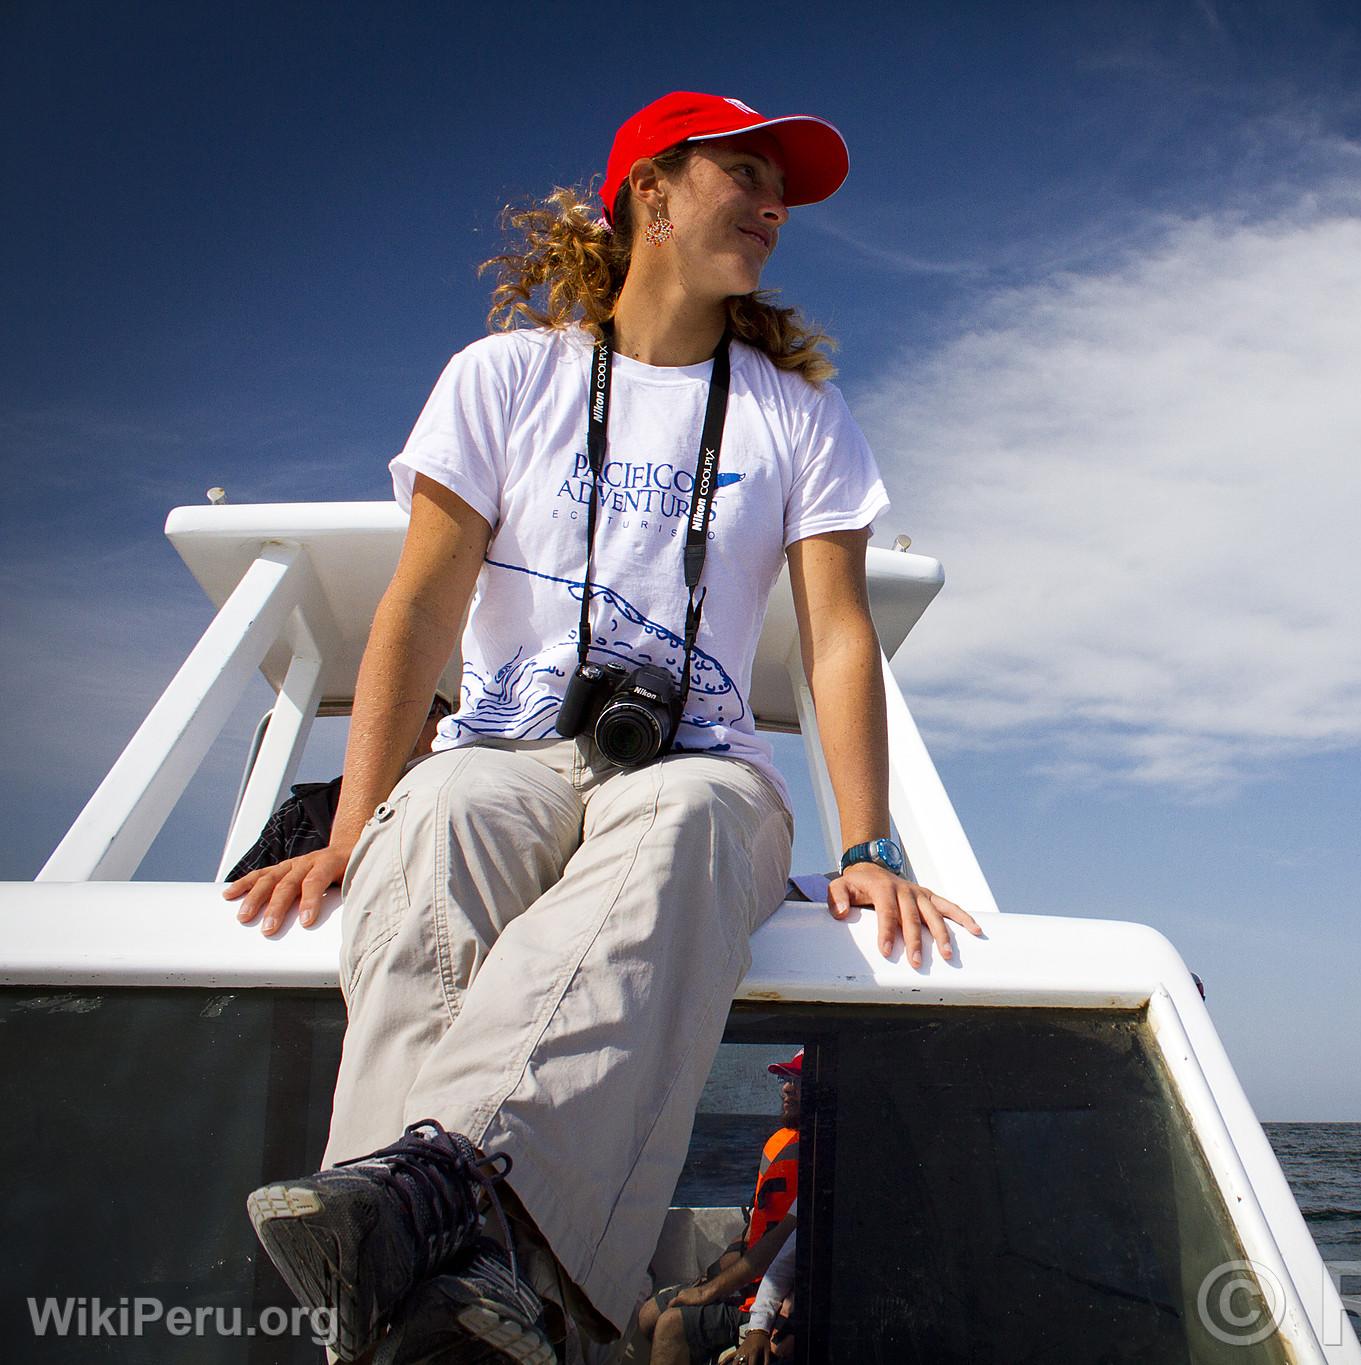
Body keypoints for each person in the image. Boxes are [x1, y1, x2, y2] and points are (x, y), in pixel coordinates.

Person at [223, 91, 981, 1365]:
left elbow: (837, 634)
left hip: (700, 763)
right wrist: (354, 825)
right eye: (742, 174)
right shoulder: (503, 378)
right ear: (650, 194)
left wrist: (868, 846)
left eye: (777, 187)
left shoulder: (797, 415)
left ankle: (429, 1238)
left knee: (683, 820)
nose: (773, 205)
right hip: (502, 748)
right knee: (443, 826)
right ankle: (471, 1292)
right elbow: (422, 601)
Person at [637, 1049, 804, 1364]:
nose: (786, 1087)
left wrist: (708, 1292)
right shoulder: (781, 1142)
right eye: (786, 1078)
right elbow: (756, 1227)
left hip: (770, 1296)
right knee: (649, 1313)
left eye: (799, 1080)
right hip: (750, 1283)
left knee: (671, 1325)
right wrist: (709, 1275)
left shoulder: (820, 1155)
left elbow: (776, 1248)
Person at [222, 695, 452, 881]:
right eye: (385, 708)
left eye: (425, 708)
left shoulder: (459, 807)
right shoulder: (303, 814)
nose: (398, 721)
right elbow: (231, 901)